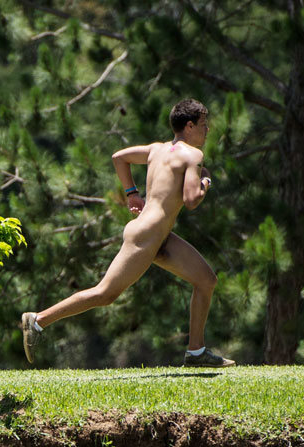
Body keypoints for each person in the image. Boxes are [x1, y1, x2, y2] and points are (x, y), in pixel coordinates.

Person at [21, 98, 234, 368]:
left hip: (157, 235)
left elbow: (119, 158)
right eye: (204, 125)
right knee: (105, 294)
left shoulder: (157, 150)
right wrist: (206, 180)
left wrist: (132, 194)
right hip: (147, 235)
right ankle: (37, 320)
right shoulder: (193, 156)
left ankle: (196, 352)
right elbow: (192, 200)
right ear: (189, 126)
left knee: (206, 280)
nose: (208, 130)